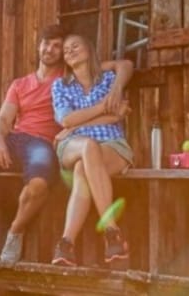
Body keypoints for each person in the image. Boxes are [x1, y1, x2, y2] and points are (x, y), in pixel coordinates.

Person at [0, 24, 133, 263]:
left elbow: (120, 67)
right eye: (46, 43)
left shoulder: (69, 75)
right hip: (14, 139)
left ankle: (15, 232)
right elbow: (4, 119)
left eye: (57, 46)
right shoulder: (20, 84)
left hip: (41, 144)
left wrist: (115, 91)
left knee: (39, 185)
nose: (50, 49)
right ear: (39, 47)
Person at [50, 33, 134, 267]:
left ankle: (66, 244)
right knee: (87, 147)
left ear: (88, 49)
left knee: (82, 169)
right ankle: (112, 231)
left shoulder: (107, 79)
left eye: (75, 46)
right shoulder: (61, 85)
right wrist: (102, 109)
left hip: (112, 145)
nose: (69, 51)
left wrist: (116, 91)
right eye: (66, 50)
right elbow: (66, 119)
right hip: (72, 145)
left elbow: (126, 67)